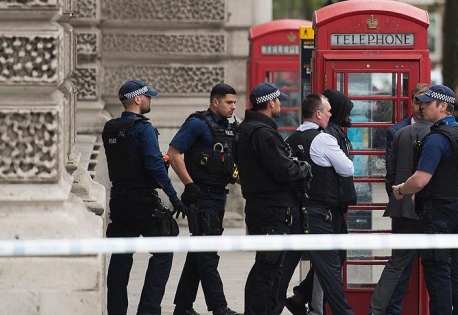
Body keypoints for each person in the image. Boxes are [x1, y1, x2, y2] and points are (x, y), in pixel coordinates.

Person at [102, 79, 189, 315]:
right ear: (138, 99)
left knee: (120, 259)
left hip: (119, 201)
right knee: (163, 250)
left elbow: (126, 160)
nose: (150, 99)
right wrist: (174, 196)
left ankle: (116, 311)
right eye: (148, 96)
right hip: (143, 202)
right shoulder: (144, 129)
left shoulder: (110, 128)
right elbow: (153, 166)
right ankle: (148, 310)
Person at [392, 85, 458, 315]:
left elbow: (420, 180)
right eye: (421, 102)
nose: (421, 107)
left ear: (443, 106)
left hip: (437, 214)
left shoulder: (436, 139)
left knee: (438, 274)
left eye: (428, 103)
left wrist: (401, 190)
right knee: (457, 272)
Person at [233, 82, 313, 315]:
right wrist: (304, 168)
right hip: (272, 210)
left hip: (261, 207)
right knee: (267, 268)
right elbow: (284, 170)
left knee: (270, 266)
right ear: (270, 102)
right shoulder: (264, 133)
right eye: (278, 100)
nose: (280, 105)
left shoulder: (246, 129)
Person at [276, 89, 357, 315]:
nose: (331, 116)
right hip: (318, 215)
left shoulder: (290, 138)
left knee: (282, 273)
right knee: (331, 272)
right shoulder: (324, 139)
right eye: (329, 112)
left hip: (293, 213)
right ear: (319, 114)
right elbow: (347, 169)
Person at [168, 83, 241, 315]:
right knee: (208, 254)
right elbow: (174, 152)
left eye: (234, 103)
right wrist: (189, 185)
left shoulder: (229, 127)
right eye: (229, 102)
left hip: (218, 196)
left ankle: (182, 307)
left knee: (199, 252)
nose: (233, 107)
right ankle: (219, 307)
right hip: (201, 196)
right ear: (215, 102)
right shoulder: (197, 124)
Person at [369, 83, 431, 315]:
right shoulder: (397, 131)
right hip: (409, 207)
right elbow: (390, 172)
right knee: (403, 265)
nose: (418, 106)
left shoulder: (427, 131)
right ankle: (390, 310)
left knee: (427, 266)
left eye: (422, 101)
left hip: (415, 204)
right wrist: (398, 198)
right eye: (416, 100)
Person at [385, 83, 429, 162]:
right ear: (411, 102)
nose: (420, 107)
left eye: (425, 103)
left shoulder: (437, 129)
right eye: (417, 102)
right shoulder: (395, 131)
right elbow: (390, 165)